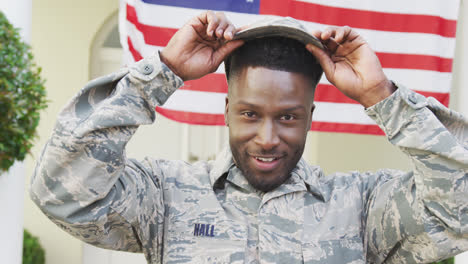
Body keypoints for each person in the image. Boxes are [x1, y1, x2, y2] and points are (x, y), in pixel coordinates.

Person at [30, 11, 467, 263]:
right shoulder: (166, 196)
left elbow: (460, 214)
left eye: (289, 117)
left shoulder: (362, 207)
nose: (267, 137)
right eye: (249, 113)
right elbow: (62, 194)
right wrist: (160, 73)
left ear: (310, 117)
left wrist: (383, 97)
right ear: (226, 110)